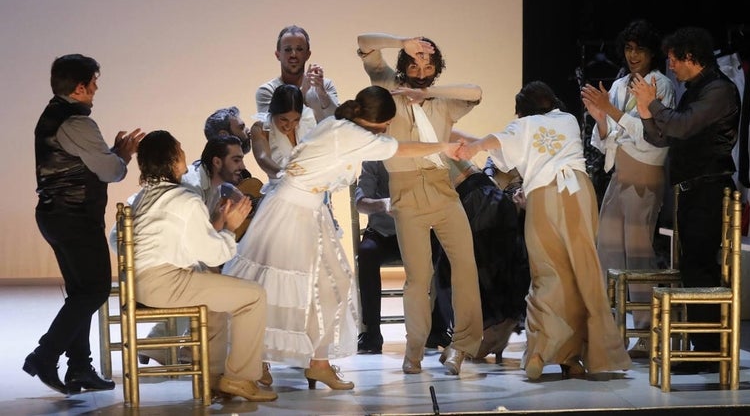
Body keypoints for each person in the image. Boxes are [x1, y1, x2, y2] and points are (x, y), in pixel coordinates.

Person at [223, 86, 462, 389]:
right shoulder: (348, 133)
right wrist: (443, 146)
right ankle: (252, 363)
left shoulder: (341, 126)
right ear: (379, 122)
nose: (387, 129)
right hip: (291, 211)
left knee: (328, 286)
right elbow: (399, 148)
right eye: (386, 124)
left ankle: (318, 363)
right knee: (279, 286)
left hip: (309, 211)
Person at [458, 81, 631, 380]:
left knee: (547, 273)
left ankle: (541, 352)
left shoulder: (522, 126)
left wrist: (471, 145)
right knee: (582, 273)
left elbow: (496, 143)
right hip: (579, 193)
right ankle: (577, 356)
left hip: (544, 197)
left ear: (522, 109)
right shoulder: (568, 119)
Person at [116, 130, 277, 402]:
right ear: (172, 160)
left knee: (216, 304)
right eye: (179, 150)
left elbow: (115, 241)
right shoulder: (185, 199)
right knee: (253, 296)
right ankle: (240, 377)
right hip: (166, 284)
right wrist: (229, 228)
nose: (184, 155)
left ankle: (213, 378)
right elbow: (213, 256)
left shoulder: (139, 198)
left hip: (137, 285)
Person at [356, 32, 483, 376]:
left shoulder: (442, 100)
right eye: (415, 60)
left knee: (465, 265)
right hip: (406, 193)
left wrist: (426, 93)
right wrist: (402, 41)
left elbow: (475, 92)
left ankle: (461, 346)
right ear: (405, 61)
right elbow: (364, 42)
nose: (420, 68)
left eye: (428, 64)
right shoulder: (386, 86)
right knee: (418, 276)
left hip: (443, 191)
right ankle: (414, 350)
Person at [25, 54, 144, 395]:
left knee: (82, 293)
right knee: (93, 290)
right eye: (93, 82)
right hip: (74, 217)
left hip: (56, 215)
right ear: (80, 87)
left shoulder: (54, 115)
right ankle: (45, 355)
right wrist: (122, 155)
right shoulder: (77, 123)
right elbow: (109, 171)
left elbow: (88, 163)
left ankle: (80, 368)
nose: (96, 88)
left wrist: (111, 153)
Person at [630, 26, 740, 373]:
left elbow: (680, 126)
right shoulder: (695, 89)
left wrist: (653, 104)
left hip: (709, 189)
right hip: (691, 191)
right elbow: (665, 137)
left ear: (691, 57)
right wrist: (648, 112)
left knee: (701, 269)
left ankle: (706, 349)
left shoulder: (719, 90)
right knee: (693, 268)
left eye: (674, 59)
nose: (671, 66)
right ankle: (701, 345)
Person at [580, 19, 676, 356]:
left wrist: (612, 112)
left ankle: (646, 330)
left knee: (637, 253)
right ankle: (612, 328)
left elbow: (654, 136)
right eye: (628, 48)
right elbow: (607, 139)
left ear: (651, 52)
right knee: (607, 248)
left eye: (640, 49)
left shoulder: (661, 85)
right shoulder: (620, 85)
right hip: (619, 173)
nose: (633, 55)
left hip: (645, 175)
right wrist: (601, 118)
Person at [353, 160, 454, 355]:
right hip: (383, 232)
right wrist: (383, 204)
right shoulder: (374, 160)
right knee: (366, 253)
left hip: (419, 230)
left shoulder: (420, 156)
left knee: (446, 251)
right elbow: (360, 202)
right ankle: (372, 333)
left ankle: (438, 329)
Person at [434, 158, 528, 362]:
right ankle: (490, 330)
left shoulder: (422, 139)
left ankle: (484, 333)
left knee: (463, 271)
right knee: (476, 270)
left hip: (476, 200)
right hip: (479, 197)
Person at [256, 25, 338, 132]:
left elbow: (338, 123)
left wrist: (322, 94)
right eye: (288, 49)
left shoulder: (325, 85)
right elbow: (271, 130)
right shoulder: (267, 91)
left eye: (299, 49)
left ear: (307, 54)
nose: (293, 55)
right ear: (278, 55)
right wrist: (302, 94)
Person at [251, 84, 309, 184]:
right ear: (273, 111)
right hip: (281, 190)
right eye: (283, 119)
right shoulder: (261, 128)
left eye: (295, 120)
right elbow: (262, 158)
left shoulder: (308, 122)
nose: (289, 126)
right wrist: (284, 174)